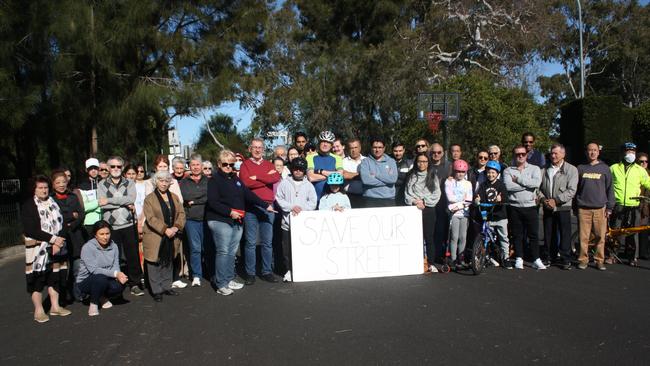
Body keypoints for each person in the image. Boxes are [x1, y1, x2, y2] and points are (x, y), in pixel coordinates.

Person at [206, 150, 275, 295]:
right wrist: (229, 211)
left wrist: (265, 205)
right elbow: (213, 202)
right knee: (223, 251)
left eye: (231, 164)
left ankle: (229, 278)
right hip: (220, 220)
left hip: (237, 220)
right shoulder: (214, 180)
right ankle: (221, 283)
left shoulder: (236, 179)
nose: (228, 167)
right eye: (225, 164)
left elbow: (248, 194)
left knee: (231, 251)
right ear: (219, 164)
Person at [22, 175, 72, 323]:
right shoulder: (29, 205)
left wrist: (58, 241)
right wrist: (52, 240)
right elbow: (31, 229)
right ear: (34, 189)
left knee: (55, 277)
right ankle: (39, 310)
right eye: (40, 188)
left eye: (46, 188)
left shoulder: (53, 201)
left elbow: (62, 223)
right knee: (37, 280)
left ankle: (55, 307)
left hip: (57, 246)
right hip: (38, 249)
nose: (44, 190)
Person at [98, 156, 144, 295]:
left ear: (122, 168)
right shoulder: (101, 184)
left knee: (133, 256)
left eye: (118, 166)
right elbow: (101, 203)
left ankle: (135, 284)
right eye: (112, 166)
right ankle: (115, 285)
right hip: (111, 226)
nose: (116, 169)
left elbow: (131, 198)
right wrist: (122, 202)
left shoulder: (129, 182)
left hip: (128, 223)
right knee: (113, 257)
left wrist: (109, 201)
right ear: (108, 168)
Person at [239, 138, 282, 284]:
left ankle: (266, 271)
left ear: (263, 149)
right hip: (251, 207)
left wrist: (256, 177)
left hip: (268, 207)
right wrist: (266, 178)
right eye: (255, 147)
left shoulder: (269, 164)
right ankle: (250, 273)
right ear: (250, 149)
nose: (258, 150)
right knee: (250, 242)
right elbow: (245, 183)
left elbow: (275, 177)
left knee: (267, 242)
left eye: (260, 147)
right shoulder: (245, 165)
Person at [143, 170, 186, 302]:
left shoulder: (174, 196)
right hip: (155, 234)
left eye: (166, 181)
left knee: (168, 260)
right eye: (161, 181)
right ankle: (156, 290)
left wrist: (176, 227)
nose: (164, 183)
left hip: (172, 233)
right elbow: (150, 218)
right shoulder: (149, 198)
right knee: (154, 262)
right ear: (156, 182)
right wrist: (165, 229)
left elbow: (181, 214)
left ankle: (167, 286)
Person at [275, 157, 318, 282]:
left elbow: (313, 202)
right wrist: (291, 207)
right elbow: (279, 199)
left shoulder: (309, 185)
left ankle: (302, 270)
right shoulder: (284, 183)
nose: (298, 171)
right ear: (292, 169)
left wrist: (302, 209)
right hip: (287, 224)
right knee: (287, 250)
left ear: (304, 171)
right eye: (295, 169)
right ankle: (289, 270)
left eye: (301, 169)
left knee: (302, 249)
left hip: (302, 224)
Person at [504, 145, 545, 270]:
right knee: (517, 234)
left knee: (533, 235)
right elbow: (508, 187)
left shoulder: (535, 168)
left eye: (523, 154)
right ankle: (519, 258)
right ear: (514, 155)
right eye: (517, 154)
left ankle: (536, 259)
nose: (520, 156)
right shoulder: (508, 170)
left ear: (526, 155)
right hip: (514, 206)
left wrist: (519, 180)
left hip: (531, 206)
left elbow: (536, 183)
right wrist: (527, 185)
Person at [538, 144, 578, 270]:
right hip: (547, 206)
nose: (553, 156)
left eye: (556, 153)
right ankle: (549, 257)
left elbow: (571, 190)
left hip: (563, 207)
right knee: (549, 233)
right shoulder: (544, 169)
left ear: (563, 154)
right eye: (552, 153)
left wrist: (556, 200)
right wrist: (544, 199)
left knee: (565, 233)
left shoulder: (571, 170)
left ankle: (566, 258)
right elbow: (537, 188)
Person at [610, 142, 650, 266]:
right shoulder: (614, 168)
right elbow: (606, 184)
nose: (630, 154)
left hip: (634, 205)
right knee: (616, 232)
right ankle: (613, 255)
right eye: (628, 151)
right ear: (622, 153)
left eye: (633, 152)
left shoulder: (640, 170)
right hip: (619, 204)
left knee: (633, 233)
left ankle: (633, 257)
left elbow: (648, 183)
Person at [575, 142, 614, 270]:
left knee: (600, 237)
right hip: (583, 208)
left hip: (600, 208)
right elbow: (576, 189)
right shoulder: (581, 168)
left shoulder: (605, 169)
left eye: (595, 150)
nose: (592, 152)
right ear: (586, 152)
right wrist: (576, 206)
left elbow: (610, 189)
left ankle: (599, 260)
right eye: (590, 150)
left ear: (598, 152)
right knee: (583, 237)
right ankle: (583, 260)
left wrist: (609, 207)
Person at [76, 220, 127, 316]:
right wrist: (116, 274)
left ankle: (102, 296)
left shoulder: (114, 246)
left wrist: (118, 275)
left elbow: (115, 265)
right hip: (87, 280)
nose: (105, 237)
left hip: (105, 277)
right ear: (95, 235)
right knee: (100, 278)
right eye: (101, 234)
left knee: (120, 285)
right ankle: (94, 302)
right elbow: (94, 270)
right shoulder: (88, 247)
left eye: (107, 233)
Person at [50, 170, 85, 303]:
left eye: (64, 182)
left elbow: (81, 214)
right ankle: (62, 296)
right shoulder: (50, 199)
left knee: (77, 268)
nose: (61, 185)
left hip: (75, 237)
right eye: (58, 182)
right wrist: (71, 216)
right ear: (53, 184)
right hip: (60, 238)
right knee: (61, 269)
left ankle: (77, 293)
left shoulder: (73, 196)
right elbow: (55, 219)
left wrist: (71, 224)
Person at [404, 153, 441, 272]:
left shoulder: (432, 175)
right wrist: (415, 201)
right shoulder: (411, 176)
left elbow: (437, 194)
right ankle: (416, 261)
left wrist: (424, 201)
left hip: (429, 209)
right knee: (416, 237)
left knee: (429, 237)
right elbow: (407, 193)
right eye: (420, 161)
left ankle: (430, 263)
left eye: (425, 161)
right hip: (414, 209)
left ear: (428, 163)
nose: (422, 164)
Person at [475, 161, 511, 268]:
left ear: (497, 173)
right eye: (488, 172)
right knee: (486, 236)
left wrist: (501, 199)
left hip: (500, 215)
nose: (490, 175)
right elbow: (479, 196)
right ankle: (486, 256)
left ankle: (506, 257)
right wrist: (477, 199)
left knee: (503, 237)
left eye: (493, 173)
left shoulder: (501, 185)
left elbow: (505, 198)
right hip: (488, 215)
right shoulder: (483, 185)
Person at [180, 154, 208, 287]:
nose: (195, 167)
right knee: (195, 248)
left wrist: (194, 201)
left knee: (207, 247)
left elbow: (209, 197)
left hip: (206, 218)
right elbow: (186, 196)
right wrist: (200, 199)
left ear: (202, 166)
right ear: (189, 166)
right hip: (191, 219)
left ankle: (209, 272)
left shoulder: (209, 181)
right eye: (193, 165)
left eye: (198, 164)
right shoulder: (184, 182)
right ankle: (197, 275)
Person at [445, 160, 473, 270]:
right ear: (454, 171)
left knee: (463, 237)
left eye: (463, 172)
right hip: (454, 213)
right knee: (454, 237)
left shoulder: (468, 183)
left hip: (464, 213)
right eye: (458, 171)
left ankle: (461, 259)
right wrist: (462, 200)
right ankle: (453, 259)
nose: (460, 174)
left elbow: (469, 200)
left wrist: (459, 205)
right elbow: (450, 198)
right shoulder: (449, 182)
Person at [358, 137, 398, 208]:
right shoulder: (365, 162)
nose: (377, 150)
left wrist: (375, 175)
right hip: (370, 199)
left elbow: (393, 179)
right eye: (375, 147)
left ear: (384, 148)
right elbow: (366, 180)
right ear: (371, 148)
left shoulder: (391, 161)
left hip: (389, 199)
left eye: (380, 147)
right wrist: (387, 182)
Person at [307, 131, 344, 200]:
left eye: (328, 142)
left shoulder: (337, 158)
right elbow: (311, 177)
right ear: (319, 143)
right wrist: (332, 177)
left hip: (331, 198)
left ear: (331, 145)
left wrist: (321, 171)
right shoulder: (310, 157)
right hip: (314, 198)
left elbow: (340, 175)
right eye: (323, 142)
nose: (325, 144)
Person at [78, 158, 102, 237]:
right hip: (89, 223)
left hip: (103, 220)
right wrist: (99, 203)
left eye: (95, 168)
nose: (93, 171)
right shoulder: (81, 186)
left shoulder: (104, 183)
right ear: (86, 170)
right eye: (90, 169)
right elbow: (84, 207)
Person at [342, 138, 365, 208]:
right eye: (351, 148)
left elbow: (371, 175)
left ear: (360, 148)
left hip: (364, 196)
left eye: (355, 147)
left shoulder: (367, 160)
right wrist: (361, 174)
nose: (353, 150)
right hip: (348, 196)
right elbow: (343, 175)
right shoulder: (343, 161)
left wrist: (350, 175)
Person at [637, 153, 650, 259]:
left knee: (644, 229)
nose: (644, 163)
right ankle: (632, 252)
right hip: (636, 204)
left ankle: (643, 252)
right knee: (633, 229)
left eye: (646, 161)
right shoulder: (635, 173)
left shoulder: (649, 174)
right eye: (641, 161)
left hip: (646, 205)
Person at [393, 141, 413, 207]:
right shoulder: (388, 162)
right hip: (391, 195)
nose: (398, 153)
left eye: (400, 151)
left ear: (404, 150)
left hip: (405, 195)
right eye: (395, 151)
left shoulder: (409, 163)